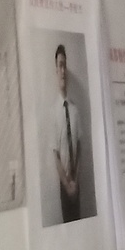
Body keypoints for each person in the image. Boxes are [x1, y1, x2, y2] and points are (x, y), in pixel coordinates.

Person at [51, 43, 84, 223]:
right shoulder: (54, 112)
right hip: (64, 186)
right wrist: (67, 185)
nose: (63, 71)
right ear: (56, 71)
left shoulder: (75, 110)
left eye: (65, 66)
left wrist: (76, 182)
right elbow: (55, 155)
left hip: (77, 184)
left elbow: (79, 148)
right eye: (60, 66)